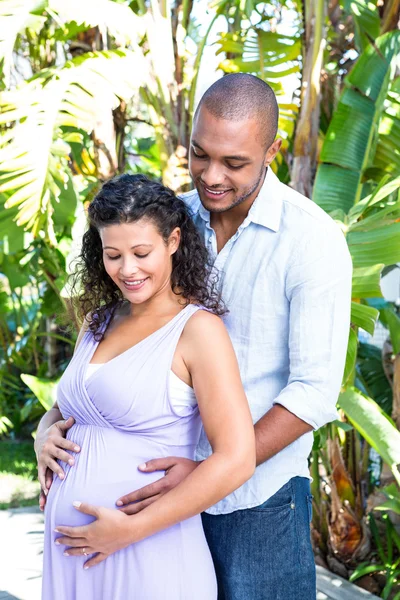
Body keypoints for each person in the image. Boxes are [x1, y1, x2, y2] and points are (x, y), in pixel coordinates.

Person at [37, 73, 352, 600]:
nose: (211, 176)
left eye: (234, 163)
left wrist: (209, 468)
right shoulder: (170, 218)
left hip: (257, 499)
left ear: (272, 149)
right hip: (152, 504)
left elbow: (313, 392)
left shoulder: (310, 241)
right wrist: (50, 430)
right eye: (200, 155)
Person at [37, 174, 255, 600]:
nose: (127, 270)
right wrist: (43, 434)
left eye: (141, 253)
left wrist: (129, 530)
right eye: (112, 254)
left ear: (173, 241)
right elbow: (69, 410)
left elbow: (237, 458)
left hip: (148, 551)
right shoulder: (99, 321)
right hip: (74, 560)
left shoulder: (198, 331)